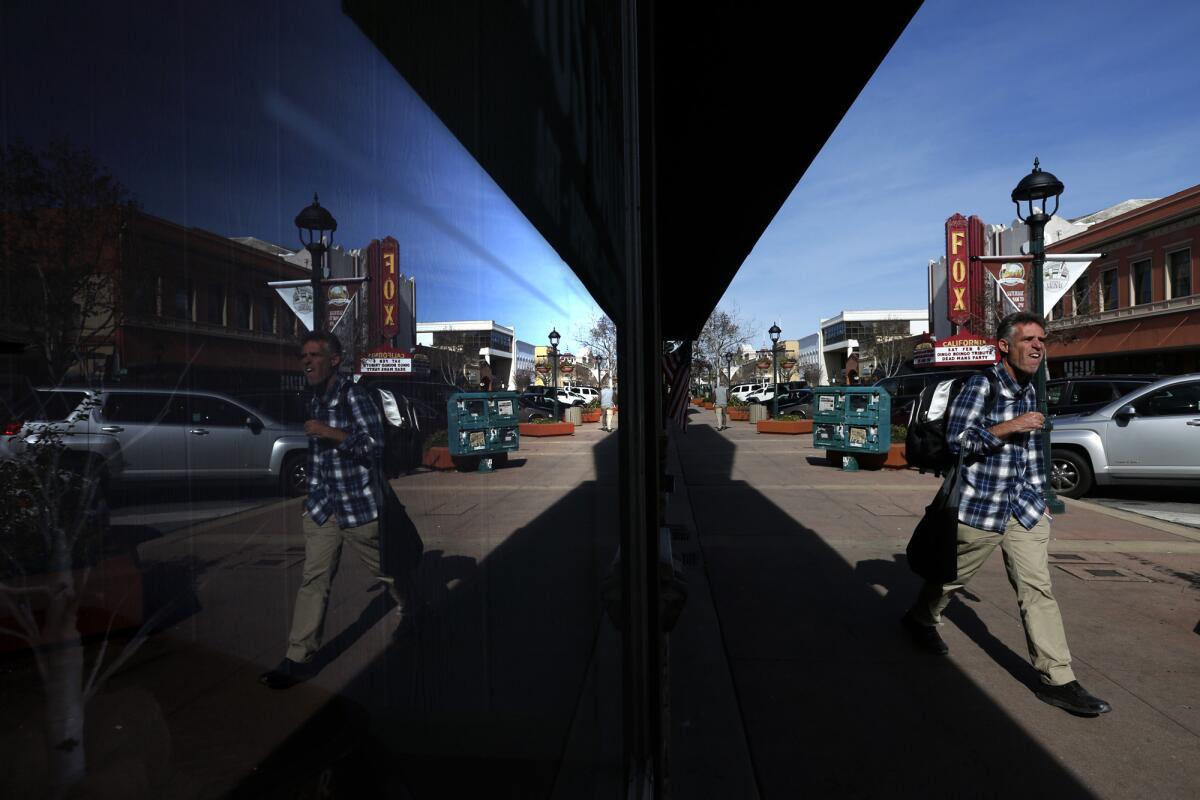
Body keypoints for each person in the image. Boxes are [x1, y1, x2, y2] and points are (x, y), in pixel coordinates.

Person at [900, 311, 1111, 717]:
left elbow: (1032, 451)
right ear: (1004, 346)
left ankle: (1059, 680)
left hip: (1025, 509)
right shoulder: (982, 386)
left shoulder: (1032, 387)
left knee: (1037, 590)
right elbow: (959, 441)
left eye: (1041, 340)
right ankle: (920, 618)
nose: (1037, 346)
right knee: (950, 577)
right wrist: (1009, 425)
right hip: (982, 506)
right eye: (1029, 339)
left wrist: (1042, 497)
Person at [260, 331, 409, 690]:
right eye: (303, 356)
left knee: (387, 573)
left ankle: (415, 608)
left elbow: (375, 446)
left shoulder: (354, 396)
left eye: (314, 355)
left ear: (334, 360)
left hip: (358, 506)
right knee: (314, 581)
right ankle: (297, 659)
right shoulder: (313, 398)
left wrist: (330, 432)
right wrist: (311, 495)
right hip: (323, 508)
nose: (307, 362)